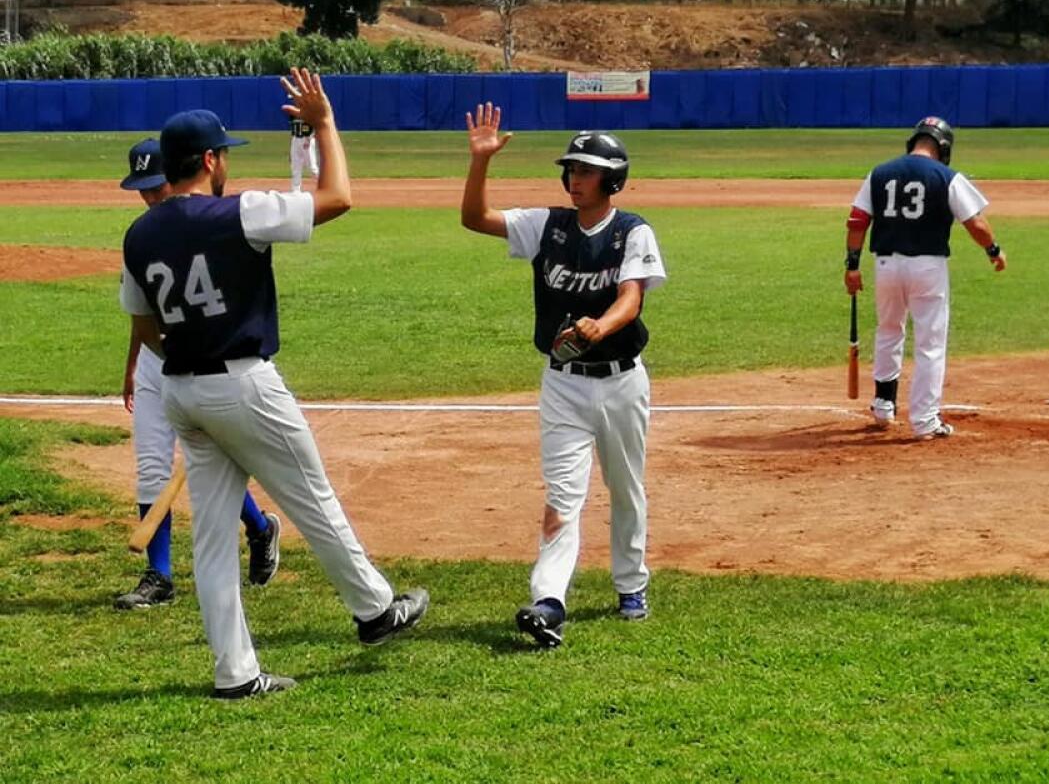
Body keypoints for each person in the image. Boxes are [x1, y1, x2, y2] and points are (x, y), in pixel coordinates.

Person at [119, 70, 428, 699]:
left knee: (211, 540)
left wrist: (191, 349)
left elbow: (145, 326)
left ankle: (235, 674)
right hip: (243, 384)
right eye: (223, 154)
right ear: (208, 160)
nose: (227, 162)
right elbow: (338, 196)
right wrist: (324, 123)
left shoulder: (139, 232)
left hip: (181, 390)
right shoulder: (241, 211)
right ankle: (374, 611)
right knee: (312, 498)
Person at [461, 103, 667, 648]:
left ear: (612, 179)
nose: (574, 177)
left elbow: (632, 297)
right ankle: (548, 602)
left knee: (625, 487)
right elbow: (475, 219)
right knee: (562, 496)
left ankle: (630, 583)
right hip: (563, 385)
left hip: (623, 381)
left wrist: (599, 327)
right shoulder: (546, 225)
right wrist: (480, 162)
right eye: (570, 169)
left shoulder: (631, 231)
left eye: (585, 169)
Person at [116, 138, 282, 610]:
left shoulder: (212, 224)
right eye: (142, 190)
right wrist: (133, 364)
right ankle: (159, 577)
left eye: (156, 186)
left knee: (220, 458)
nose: (150, 197)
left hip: (207, 357)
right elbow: (142, 314)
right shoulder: (143, 233)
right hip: (157, 362)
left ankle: (259, 527)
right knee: (152, 464)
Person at [844, 116, 1006, 439]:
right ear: (943, 148)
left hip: (886, 265)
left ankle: (883, 404)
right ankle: (925, 419)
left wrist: (852, 265)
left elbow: (858, 220)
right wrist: (993, 250)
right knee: (930, 342)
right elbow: (975, 223)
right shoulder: (946, 176)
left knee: (889, 330)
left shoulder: (879, 173)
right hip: (927, 268)